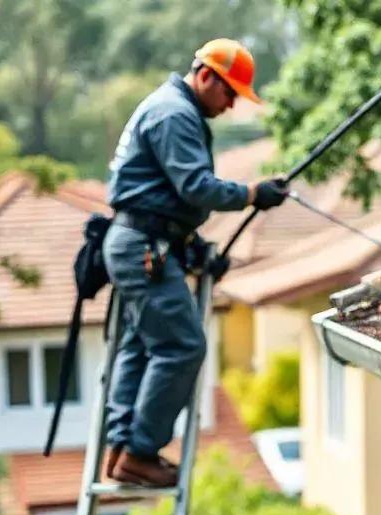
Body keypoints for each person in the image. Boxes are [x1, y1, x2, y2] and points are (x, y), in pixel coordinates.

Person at [102, 39, 287, 486]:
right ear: (206, 76)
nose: (230, 106)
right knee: (183, 346)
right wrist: (250, 194)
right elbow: (195, 187)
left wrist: (196, 252)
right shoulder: (174, 113)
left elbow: (165, 199)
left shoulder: (171, 109)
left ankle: (123, 450)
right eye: (229, 94)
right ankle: (140, 452)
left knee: (142, 346)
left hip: (143, 241)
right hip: (141, 245)